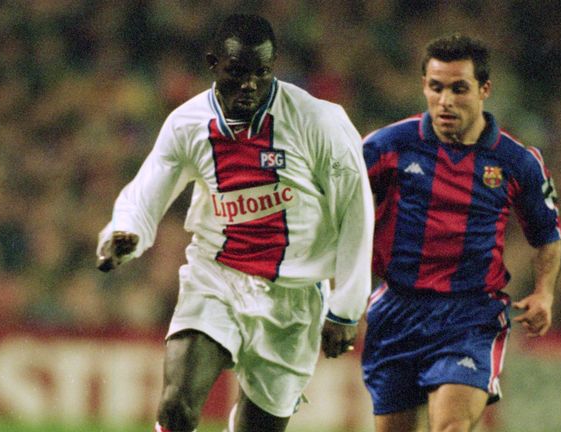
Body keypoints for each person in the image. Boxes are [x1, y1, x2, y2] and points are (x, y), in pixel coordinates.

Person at [95, 14, 374, 432]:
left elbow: (356, 211)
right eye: (237, 73)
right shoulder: (187, 124)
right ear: (213, 64)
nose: (249, 85)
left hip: (294, 299)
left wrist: (347, 307)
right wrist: (126, 232)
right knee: (177, 406)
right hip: (217, 278)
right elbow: (147, 191)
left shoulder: (320, 122)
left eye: (261, 73)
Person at [361, 34, 561, 432]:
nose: (445, 101)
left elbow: (547, 234)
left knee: (450, 426)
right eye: (436, 88)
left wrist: (545, 291)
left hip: (470, 315)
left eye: (459, 88)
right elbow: (341, 212)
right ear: (423, 86)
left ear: (485, 89)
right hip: (397, 310)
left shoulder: (517, 162)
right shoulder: (386, 146)